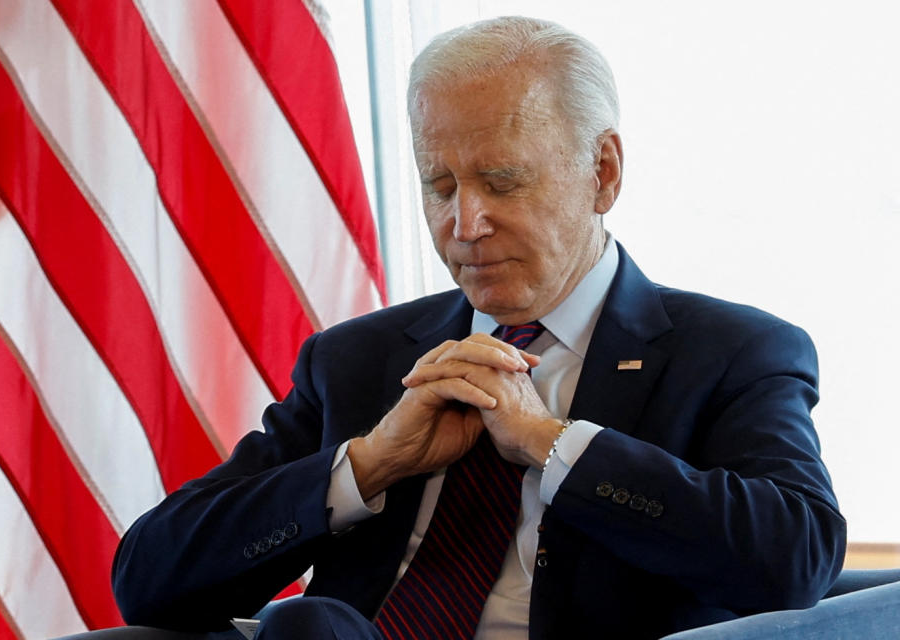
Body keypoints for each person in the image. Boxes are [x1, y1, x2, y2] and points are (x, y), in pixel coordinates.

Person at [104, 15, 845, 640]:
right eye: (439, 185)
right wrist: (365, 466)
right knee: (310, 627)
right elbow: (148, 579)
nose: (464, 224)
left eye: (502, 181)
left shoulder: (730, 353)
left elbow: (795, 561)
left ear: (604, 173)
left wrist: (555, 447)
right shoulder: (359, 360)